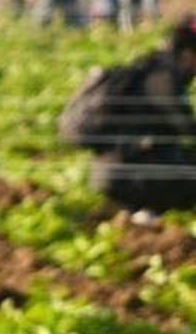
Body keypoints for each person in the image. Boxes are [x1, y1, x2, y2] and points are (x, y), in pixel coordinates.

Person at [59, 15, 196, 213]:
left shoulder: (153, 67)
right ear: (188, 54)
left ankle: (144, 217)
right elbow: (187, 127)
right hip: (128, 173)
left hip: (117, 168)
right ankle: (146, 218)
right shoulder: (163, 78)